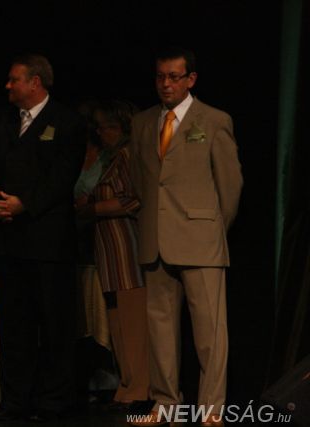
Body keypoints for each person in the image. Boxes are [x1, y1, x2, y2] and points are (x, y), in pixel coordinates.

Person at [128, 47, 242, 427]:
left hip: (201, 239)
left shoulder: (214, 120)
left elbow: (230, 185)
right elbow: (142, 181)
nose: (166, 84)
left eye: (174, 77)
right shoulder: (143, 122)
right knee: (160, 332)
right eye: (161, 76)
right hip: (156, 240)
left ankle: (212, 409)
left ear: (190, 79)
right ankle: (166, 406)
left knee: (210, 332)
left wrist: (211, 228)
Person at [0, 53, 85, 422]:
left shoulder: (67, 121)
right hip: (7, 241)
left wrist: (25, 204)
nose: (8, 85)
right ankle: (14, 402)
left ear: (35, 83)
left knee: (54, 324)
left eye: (14, 79)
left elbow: (62, 177)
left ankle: (54, 401)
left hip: (48, 242)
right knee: (14, 326)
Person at [75, 99, 149, 409]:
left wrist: (90, 210)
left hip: (126, 247)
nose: (103, 133)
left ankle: (140, 387)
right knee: (118, 320)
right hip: (108, 251)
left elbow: (134, 199)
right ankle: (128, 384)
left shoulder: (128, 155)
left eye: (110, 127)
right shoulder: (110, 158)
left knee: (133, 320)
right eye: (100, 127)